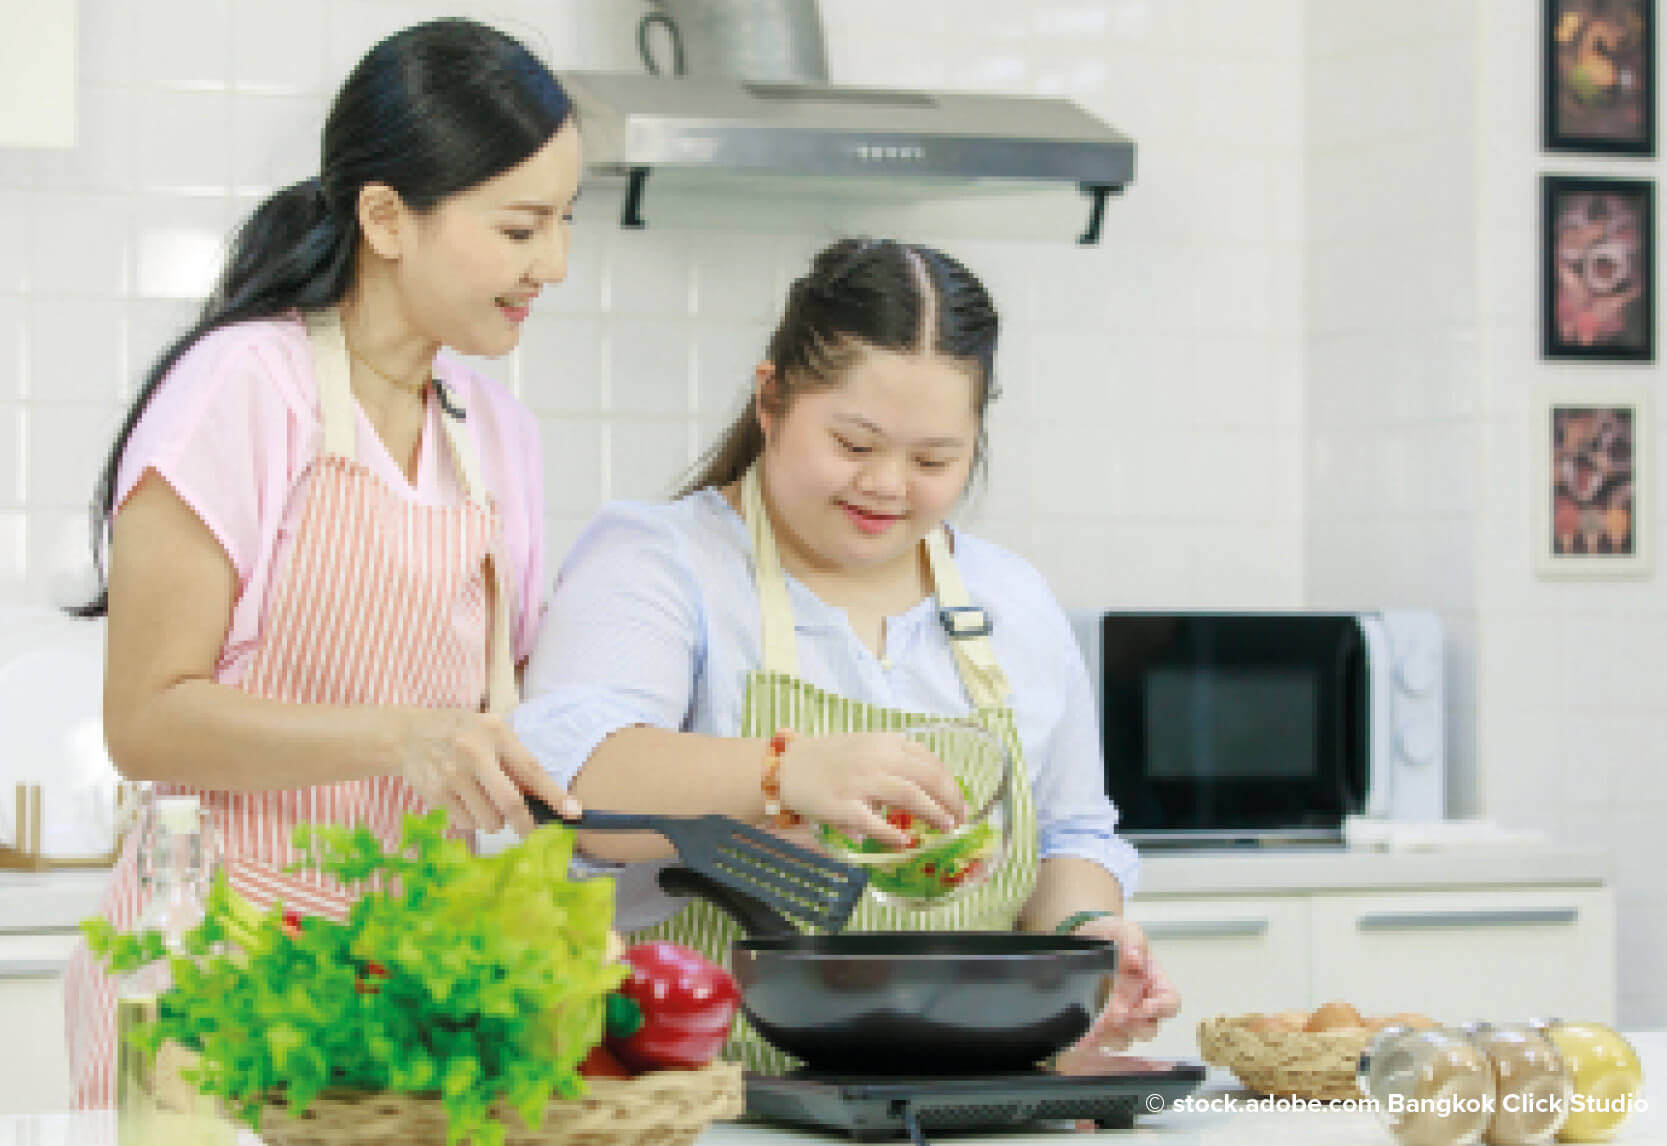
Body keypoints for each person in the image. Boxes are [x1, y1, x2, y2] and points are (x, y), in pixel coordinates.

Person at [63, 17, 583, 1108]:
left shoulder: (498, 434)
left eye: (566, 222)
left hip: (408, 986)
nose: (556, 265)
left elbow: (504, 712)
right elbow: (147, 719)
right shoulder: (243, 388)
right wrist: (404, 738)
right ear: (387, 217)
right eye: (522, 226)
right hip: (215, 973)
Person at [513, 238, 1180, 1071]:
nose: (889, 485)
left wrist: (1086, 938)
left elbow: (1068, 833)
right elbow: (571, 778)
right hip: (710, 1092)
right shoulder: (660, 560)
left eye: (935, 459)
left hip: (967, 1082)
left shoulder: (1010, 599)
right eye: (855, 445)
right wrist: (786, 771)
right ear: (771, 399)